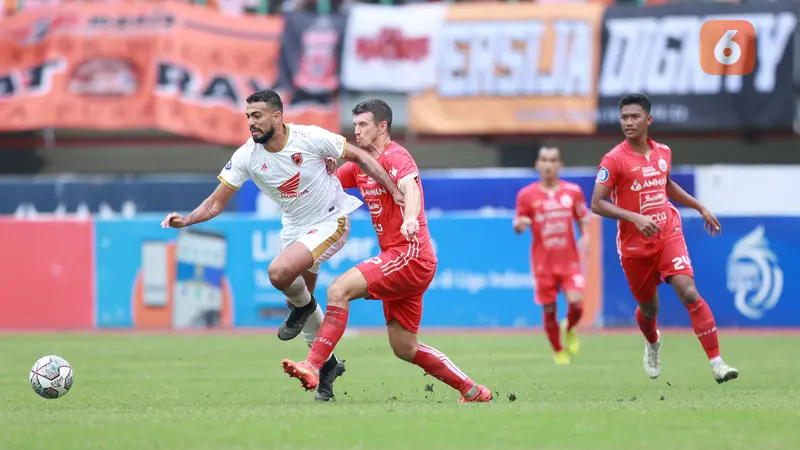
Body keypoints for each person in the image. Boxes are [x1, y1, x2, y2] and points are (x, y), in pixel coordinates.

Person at [160, 90, 404, 401]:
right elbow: (214, 203)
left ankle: (303, 312)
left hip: (331, 220)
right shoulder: (247, 156)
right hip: (294, 229)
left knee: (278, 273)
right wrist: (187, 220)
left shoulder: (310, 137)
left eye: (257, 116)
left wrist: (393, 189)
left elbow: (359, 156)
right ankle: (327, 368)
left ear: (277, 116)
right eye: (248, 116)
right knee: (300, 300)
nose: (251, 123)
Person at [280, 99, 493, 403]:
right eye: (354, 125)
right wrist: (322, 166)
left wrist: (409, 219)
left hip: (410, 254)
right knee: (404, 347)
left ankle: (313, 365)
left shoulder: (396, 157)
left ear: (382, 127)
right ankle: (472, 390)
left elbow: (411, 188)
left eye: (363, 124)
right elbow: (325, 187)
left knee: (338, 290)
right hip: (407, 261)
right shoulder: (360, 166)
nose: (356, 131)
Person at [590, 93, 738, 383]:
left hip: (667, 232)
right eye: (624, 117)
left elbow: (666, 185)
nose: (629, 122)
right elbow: (597, 203)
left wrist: (699, 206)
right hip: (634, 245)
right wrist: (635, 218)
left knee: (689, 292)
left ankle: (717, 362)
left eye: (634, 117)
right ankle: (653, 342)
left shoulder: (663, 153)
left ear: (649, 119)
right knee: (649, 309)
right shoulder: (614, 159)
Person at [513, 146, 590, 365]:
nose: (548, 164)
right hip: (543, 264)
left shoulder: (573, 191)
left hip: (569, 261)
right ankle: (558, 351)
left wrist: (586, 236)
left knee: (577, 305)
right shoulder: (527, 195)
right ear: (537, 164)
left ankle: (571, 327)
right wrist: (520, 225)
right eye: (544, 160)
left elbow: (582, 217)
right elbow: (518, 223)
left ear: (560, 164)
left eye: (553, 160)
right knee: (549, 309)